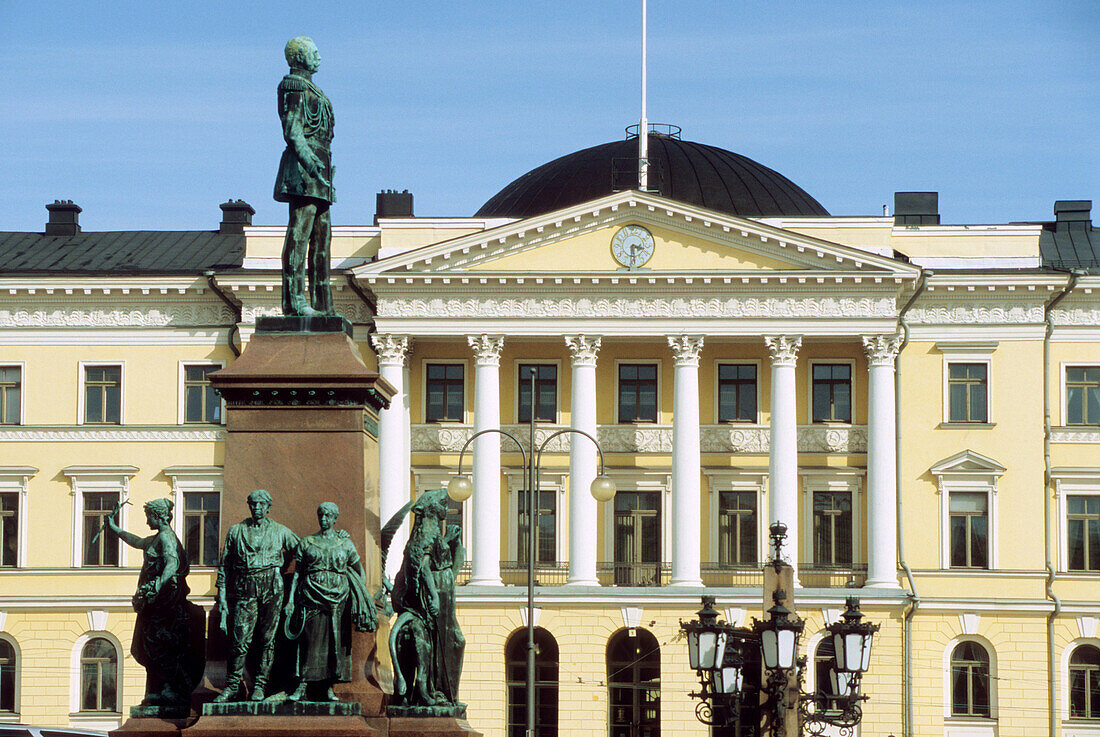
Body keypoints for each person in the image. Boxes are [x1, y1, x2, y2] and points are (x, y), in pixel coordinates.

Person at [105, 499, 203, 707]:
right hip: (156, 604)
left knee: (159, 643)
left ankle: (171, 687)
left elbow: (172, 563)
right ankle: (159, 689)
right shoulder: (158, 538)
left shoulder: (167, 538)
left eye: (149, 516)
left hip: (164, 604)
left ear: (158, 516)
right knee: (151, 644)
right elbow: (137, 541)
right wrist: (114, 528)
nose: (147, 520)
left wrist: (156, 586)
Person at [284, 502, 376, 701]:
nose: (323, 519)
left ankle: (329, 685)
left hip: (338, 598)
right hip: (310, 596)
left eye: (328, 516)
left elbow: (359, 569)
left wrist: (359, 594)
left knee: (335, 642)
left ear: (335, 518)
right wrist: (290, 600)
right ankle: (302, 684)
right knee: (309, 640)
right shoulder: (307, 542)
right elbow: (298, 573)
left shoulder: (345, 544)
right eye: (321, 515)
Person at [214, 489, 299, 702]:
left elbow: (304, 551)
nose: (257, 508)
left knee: (267, 639)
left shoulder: (281, 531)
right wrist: (222, 597)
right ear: (249, 506)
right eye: (253, 504)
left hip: (272, 585)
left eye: (262, 504)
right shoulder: (236, 531)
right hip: (246, 585)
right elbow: (224, 566)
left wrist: (333, 537)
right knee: (240, 639)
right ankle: (233, 686)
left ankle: (260, 685)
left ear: (269, 507)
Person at [274, 35, 336, 318]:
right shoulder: (294, 85)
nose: (319, 57)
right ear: (300, 57)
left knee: (323, 237)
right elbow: (292, 130)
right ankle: (295, 302)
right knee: (300, 233)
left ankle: (323, 304)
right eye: (315, 52)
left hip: (321, 168)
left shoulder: (316, 89)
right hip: (303, 168)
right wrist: (310, 162)